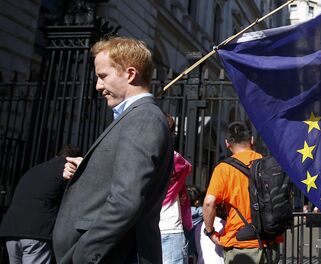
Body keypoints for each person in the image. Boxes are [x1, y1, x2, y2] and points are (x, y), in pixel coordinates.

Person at [53, 36, 173, 263]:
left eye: (103, 76)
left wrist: (84, 255)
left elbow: (126, 200)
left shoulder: (143, 118)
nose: (98, 86)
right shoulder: (136, 117)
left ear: (130, 74)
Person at [202, 122, 276, 264]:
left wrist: (210, 232)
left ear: (227, 143)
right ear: (252, 140)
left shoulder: (224, 169)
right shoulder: (267, 164)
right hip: (270, 241)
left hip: (240, 242)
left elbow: (208, 202)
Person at [0, 145, 81, 264]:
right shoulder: (67, 171)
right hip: (37, 233)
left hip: (11, 231)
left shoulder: (35, 169)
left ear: (57, 155)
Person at [160, 113, 193, 264]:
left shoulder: (139, 157)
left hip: (144, 227)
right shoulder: (175, 159)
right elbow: (188, 167)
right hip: (169, 226)